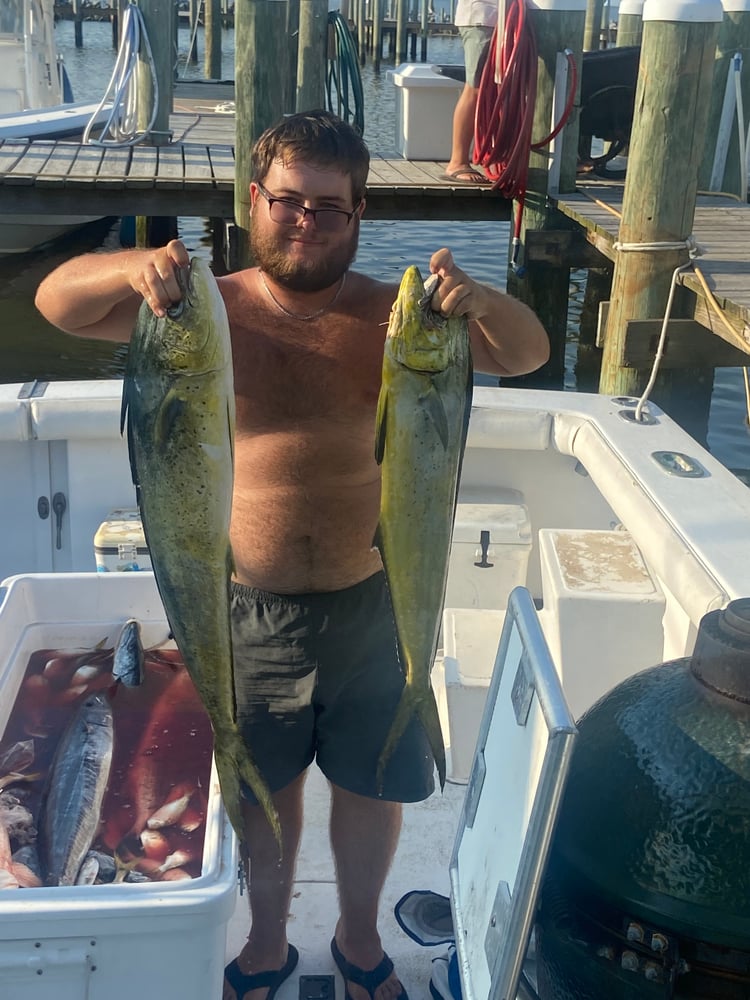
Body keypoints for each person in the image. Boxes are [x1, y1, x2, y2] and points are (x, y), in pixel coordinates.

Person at [35, 110, 549, 1000]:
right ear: (254, 202)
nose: (305, 221)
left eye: (330, 207)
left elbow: (527, 353)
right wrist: (130, 263)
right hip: (245, 608)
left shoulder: (396, 319)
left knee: (369, 788)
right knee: (259, 790)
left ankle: (357, 943)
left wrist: (481, 299)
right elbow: (58, 303)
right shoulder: (198, 311)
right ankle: (267, 943)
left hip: (374, 601)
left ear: (357, 217)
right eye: (288, 202)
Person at [443, 0, 498, 185]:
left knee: (492, 90)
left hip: (498, 18)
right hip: (483, 17)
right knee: (476, 88)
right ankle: (457, 162)